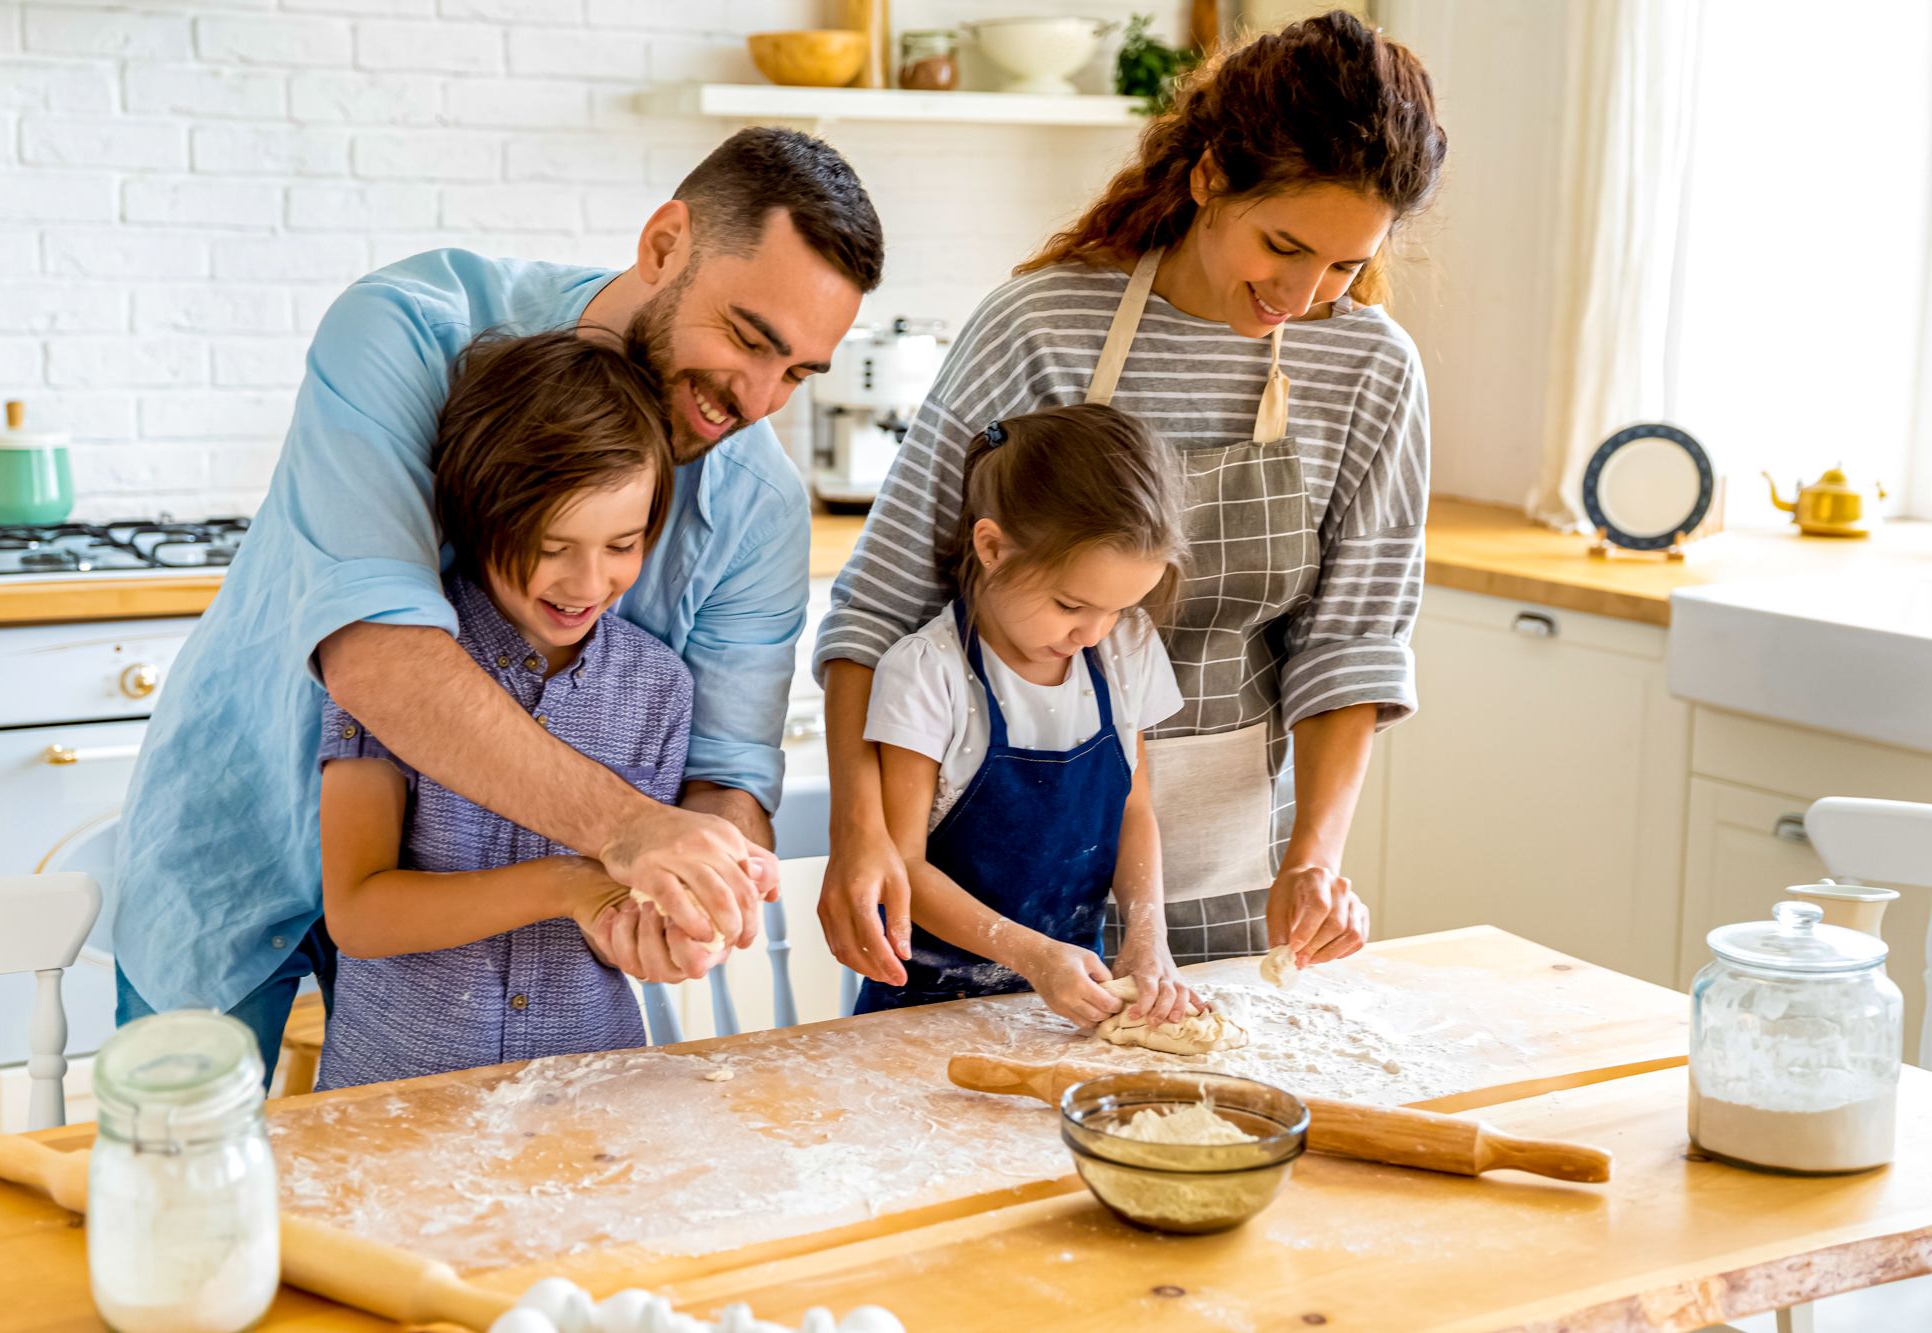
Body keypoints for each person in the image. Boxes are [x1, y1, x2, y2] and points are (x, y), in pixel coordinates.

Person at [113, 127, 883, 1081]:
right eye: (748, 338)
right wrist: (625, 834)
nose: (760, 399)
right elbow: (381, 661)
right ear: (664, 243)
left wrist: (687, 902)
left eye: (800, 371)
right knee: (179, 1197)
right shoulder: (405, 329)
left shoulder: (758, 504)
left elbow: (723, 781)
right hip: (240, 844)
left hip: (501, 971)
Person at [816, 12, 1446, 987]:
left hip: (1239, 881)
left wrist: (1312, 858)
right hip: (994, 895)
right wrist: (858, 830)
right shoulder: (1041, 325)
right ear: (1207, 177)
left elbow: (1348, 642)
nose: (1301, 291)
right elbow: (879, 606)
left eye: (1344, 265)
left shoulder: (1367, 366)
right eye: (1280, 244)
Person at [316, 331, 710, 1089]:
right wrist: (568, 885)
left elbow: (619, 914)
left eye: (623, 544)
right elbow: (358, 912)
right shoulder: (401, 668)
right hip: (401, 1090)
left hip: (589, 1086)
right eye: (551, 545)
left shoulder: (659, 687)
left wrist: (657, 933)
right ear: (478, 515)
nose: (588, 581)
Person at [854, 405, 1200, 1029]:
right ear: (991, 547)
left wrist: (1149, 936)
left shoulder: (1126, 650)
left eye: (1119, 609)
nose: (1092, 632)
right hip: (924, 1009)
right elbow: (902, 866)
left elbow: (1133, 809)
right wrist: (1033, 956)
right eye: (1071, 604)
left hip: (1067, 1006)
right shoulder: (927, 674)